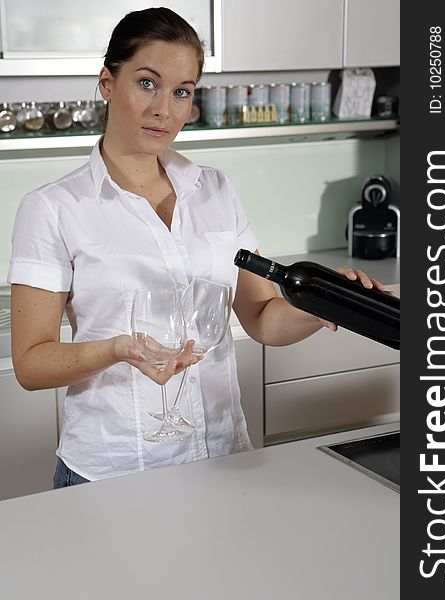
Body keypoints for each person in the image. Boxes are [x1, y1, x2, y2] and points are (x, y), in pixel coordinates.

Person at [8, 7, 387, 487]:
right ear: (107, 82)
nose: (164, 109)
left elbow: (262, 316)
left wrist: (328, 306)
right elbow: (31, 363)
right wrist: (119, 350)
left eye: (181, 91)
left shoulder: (215, 190)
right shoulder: (53, 208)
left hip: (223, 458)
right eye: (147, 82)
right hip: (113, 473)